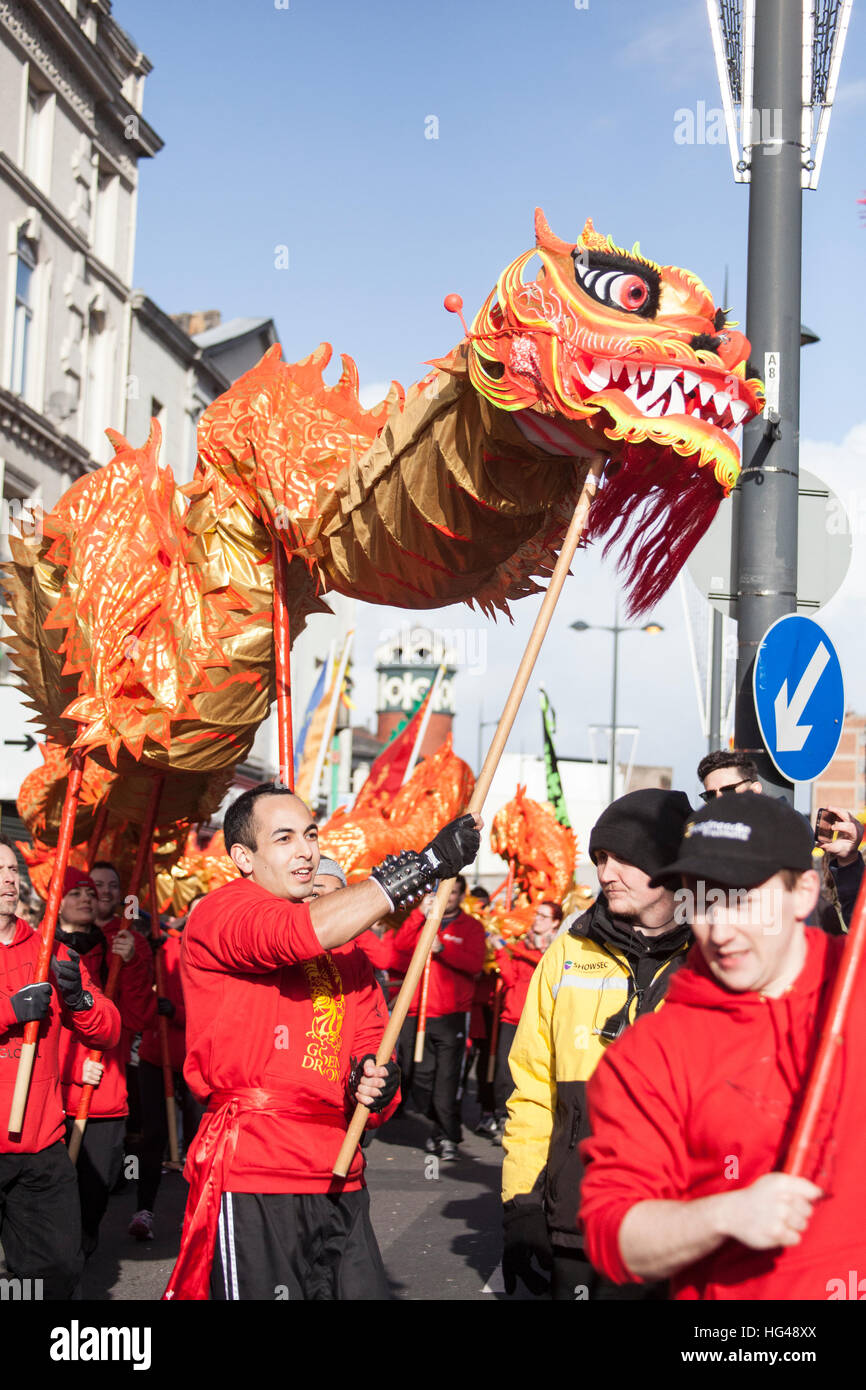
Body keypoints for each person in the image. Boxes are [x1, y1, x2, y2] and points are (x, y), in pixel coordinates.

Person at [163, 784, 480, 1300]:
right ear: (243, 857)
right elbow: (292, 935)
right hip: (255, 1171)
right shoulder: (221, 912)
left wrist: (376, 1082)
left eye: (310, 834)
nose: (306, 849)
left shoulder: (347, 951)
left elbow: (372, 1042)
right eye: (283, 838)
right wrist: (422, 867)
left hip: (340, 1170)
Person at [579, 791, 865, 1300]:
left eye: (743, 898)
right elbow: (613, 1236)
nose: (721, 929)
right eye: (703, 900)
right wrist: (724, 1215)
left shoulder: (855, 986)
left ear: (803, 893)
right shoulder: (653, 1052)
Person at [500, 788, 693, 1300]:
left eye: (625, 857)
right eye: (601, 858)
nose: (606, 873)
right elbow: (533, 1087)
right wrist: (520, 1202)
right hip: (576, 1221)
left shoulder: (718, 956)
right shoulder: (567, 951)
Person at [0, 836, 120, 1298]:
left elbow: (108, 1031)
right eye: (1, 870)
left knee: (54, 1274)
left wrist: (81, 999)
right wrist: (10, 1010)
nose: (9, 879)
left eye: (14, 870)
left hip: (41, 1145)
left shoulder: (50, 949)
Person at [56, 868, 155, 1256]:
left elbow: (138, 1019)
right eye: (78, 890)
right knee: (48, 1202)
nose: (89, 896)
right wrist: (70, 1072)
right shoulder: (41, 946)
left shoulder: (121, 946)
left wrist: (129, 965)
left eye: (91, 891)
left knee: (94, 1198)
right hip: (52, 1095)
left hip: (104, 1093)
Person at [697, 750, 864, 929]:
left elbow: (857, 933)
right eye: (711, 795)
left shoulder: (790, 833)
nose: (720, 800)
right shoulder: (705, 856)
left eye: (729, 790)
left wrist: (849, 861)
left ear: (755, 789)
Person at [393, 875, 486, 1161]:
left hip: (451, 1015)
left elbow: (474, 964)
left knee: (447, 1080)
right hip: (418, 1012)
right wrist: (420, 914)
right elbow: (399, 946)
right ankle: (435, 1122)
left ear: (461, 895)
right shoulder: (425, 920)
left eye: (456, 893)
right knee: (418, 1076)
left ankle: (447, 1135)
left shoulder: (471, 926)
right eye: (447, 893)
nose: (451, 898)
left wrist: (443, 950)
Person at [487, 901, 563, 1142]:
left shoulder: (559, 950)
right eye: (536, 914)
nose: (537, 919)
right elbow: (510, 978)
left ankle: (533, 1121)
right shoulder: (520, 946)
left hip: (542, 1019)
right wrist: (500, 952)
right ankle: (503, 1117)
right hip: (513, 1017)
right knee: (504, 1073)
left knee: (535, 1073)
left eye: (544, 916)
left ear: (555, 922)